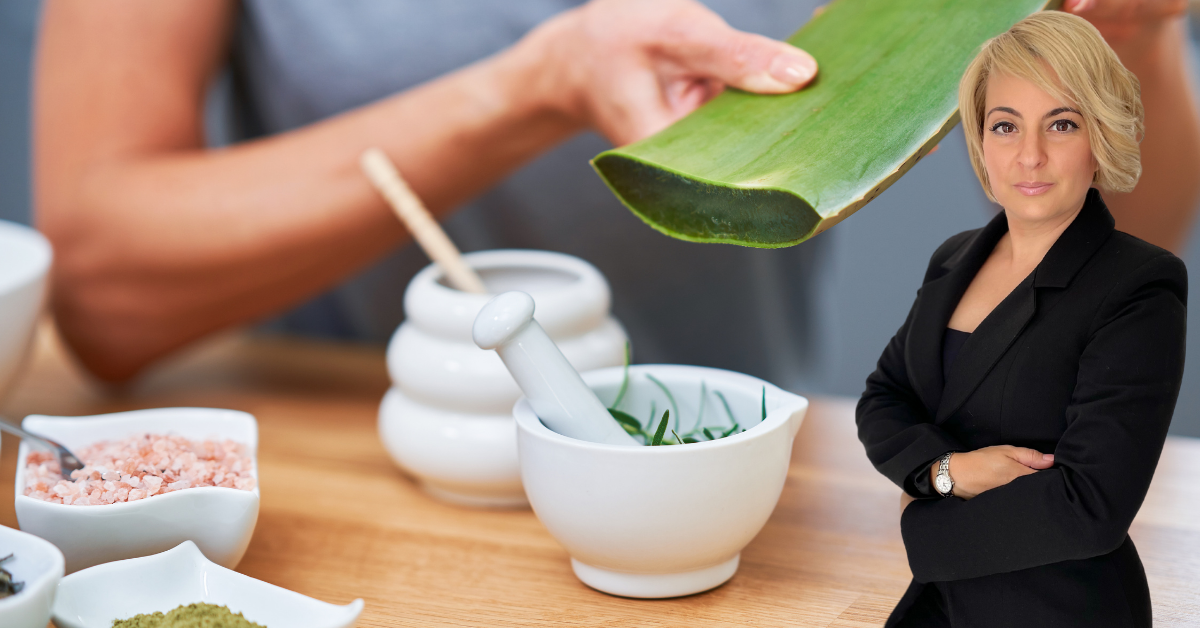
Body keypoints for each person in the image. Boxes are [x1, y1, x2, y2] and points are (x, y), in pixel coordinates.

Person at [34, 0, 1200, 387]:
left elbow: (1124, 239)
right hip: (343, 471)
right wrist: (535, 85)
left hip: (749, 479)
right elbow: (101, 283)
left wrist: (1131, 41)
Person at [856, 11, 1186, 627]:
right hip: (939, 607)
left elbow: (1091, 506)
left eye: (1061, 123)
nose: (1029, 156)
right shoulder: (955, 257)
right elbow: (883, 399)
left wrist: (921, 522)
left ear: (1101, 137)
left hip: (1059, 609)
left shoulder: (1139, 285)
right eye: (1005, 126)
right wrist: (950, 472)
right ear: (981, 143)